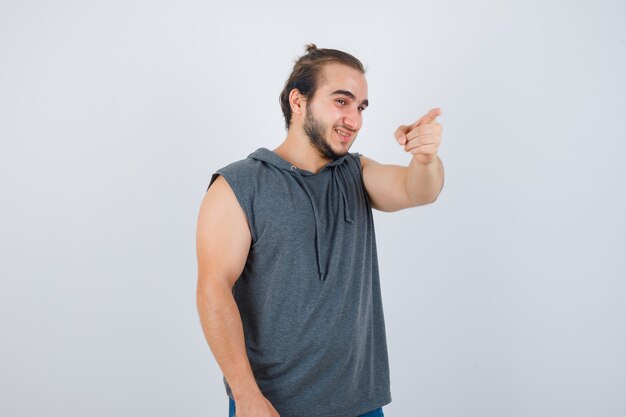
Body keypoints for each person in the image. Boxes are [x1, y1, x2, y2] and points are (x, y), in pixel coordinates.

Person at [196, 44, 444, 417]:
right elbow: (213, 291)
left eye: (360, 107)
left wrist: (425, 160)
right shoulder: (238, 185)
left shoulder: (356, 173)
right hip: (271, 406)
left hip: (361, 404)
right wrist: (246, 395)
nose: (355, 120)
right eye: (342, 102)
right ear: (299, 101)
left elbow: (418, 190)